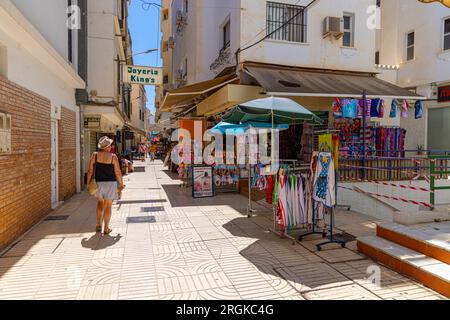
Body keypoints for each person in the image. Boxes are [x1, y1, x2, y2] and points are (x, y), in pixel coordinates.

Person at [86, 136, 124, 235]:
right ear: (107, 147)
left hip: (99, 183)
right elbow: (118, 172)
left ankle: (98, 224)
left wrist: (87, 183)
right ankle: (106, 228)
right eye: (110, 145)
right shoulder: (113, 156)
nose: (111, 146)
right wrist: (121, 184)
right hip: (111, 184)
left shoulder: (95, 155)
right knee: (108, 206)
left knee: (100, 203)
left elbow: (90, 170)